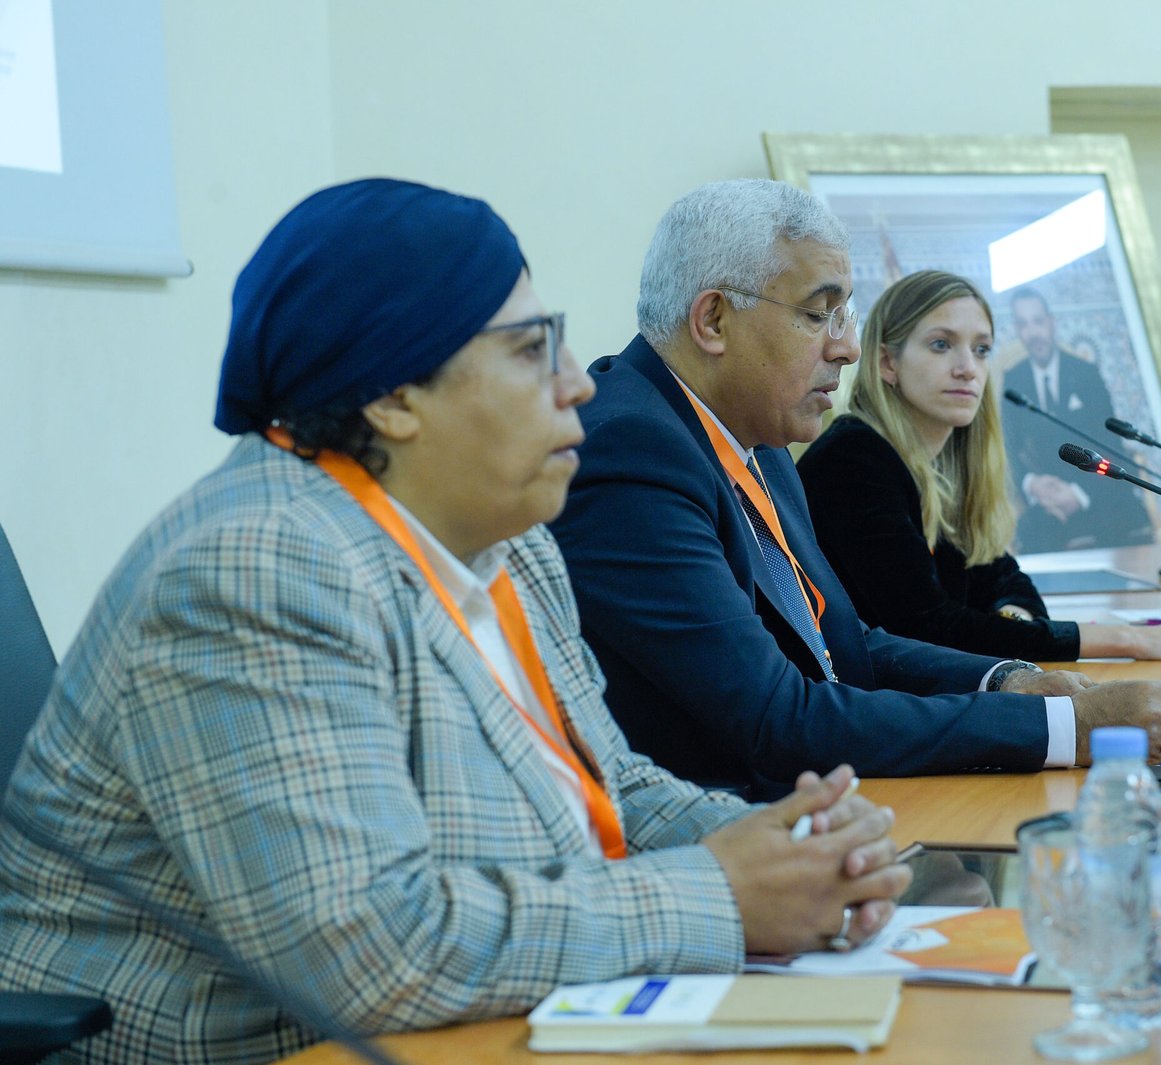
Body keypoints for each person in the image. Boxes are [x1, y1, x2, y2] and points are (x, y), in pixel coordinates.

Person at [0, 179, 908, 1065]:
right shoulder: (256, 567)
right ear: (393, 394)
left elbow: (609, 787)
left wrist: (796, 848)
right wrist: (721, 893)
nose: (577, 382)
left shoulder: (508, 543)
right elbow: (370, 951)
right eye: (530, 349)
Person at [548, 180, 1161, 799]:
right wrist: (1067, 727)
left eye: (846, 314)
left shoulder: (761, 442)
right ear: (714, 321)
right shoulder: (630, 454)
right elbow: (778, 717)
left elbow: (846, 643)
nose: (847, 347)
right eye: (820, 314)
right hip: (726, 835)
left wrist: (1011, 681)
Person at [798, 270, 1161, 664]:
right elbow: (929, 630)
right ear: (887, 362)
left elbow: (1003, 578)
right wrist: (1129, 639)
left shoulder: (945, 464)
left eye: (982, 349)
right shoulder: (855, 461)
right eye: (942, 345)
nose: (967, 368)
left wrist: (1012, 621)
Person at [1003, 286, 1155, 553]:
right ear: (1017, 330)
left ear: (1052, 323)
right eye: (1024, 324)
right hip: (1046, 502)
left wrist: (1078, 493)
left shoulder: (1086, 374)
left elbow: (1110, 444)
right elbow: (1009, 449)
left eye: (1038, 321)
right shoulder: (1014, 381)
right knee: (1032, 538)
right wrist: (1032, 484)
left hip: (1095, 490)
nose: (1033, 332)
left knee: (1122, 519)